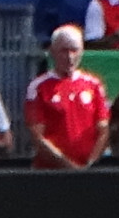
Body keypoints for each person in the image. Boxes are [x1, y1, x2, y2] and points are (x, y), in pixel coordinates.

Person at [24, 24, 110, 170]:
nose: (70, 57)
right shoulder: (39, 87)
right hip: (51, 172)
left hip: (87, 172)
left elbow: (103, 129)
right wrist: (69, 167)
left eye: (74, 50)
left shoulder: (94, 85)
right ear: (52, 51)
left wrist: (90, 164)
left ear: (81, 51)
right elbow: (38, 137)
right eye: (64, 51)